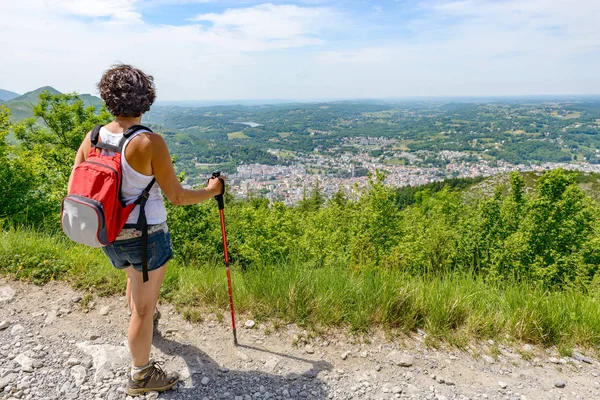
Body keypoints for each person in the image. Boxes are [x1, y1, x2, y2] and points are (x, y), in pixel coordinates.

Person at [68, 64, 224, 396]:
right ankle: (140, 374)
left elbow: (75, 187)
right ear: (146, 99)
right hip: (146, 236)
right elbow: (178, 197)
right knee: (143, 306)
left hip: (106, 232)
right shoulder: (148, 142)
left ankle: (144, 326)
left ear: (108, 99)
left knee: (134, 284)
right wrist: (213, 190)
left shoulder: (94, 136)